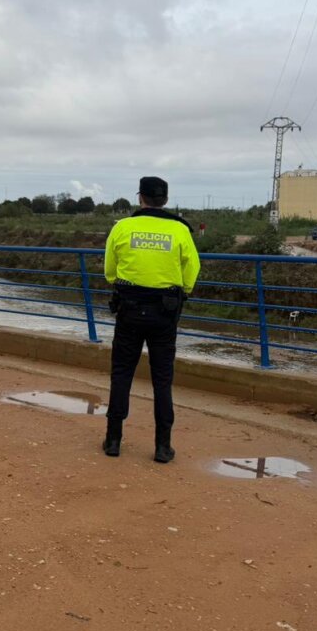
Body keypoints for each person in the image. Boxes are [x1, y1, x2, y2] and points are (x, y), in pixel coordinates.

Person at [102, 176, 200, 462]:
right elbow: (192, 268)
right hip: (165, 312)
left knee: (121, 373)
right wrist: (183, 292)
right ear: (165, 200)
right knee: (162, 378)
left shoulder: (123, 227)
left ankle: (113, 440)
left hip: (129, 309)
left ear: (140, 198)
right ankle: (162, 446)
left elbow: (110, 269)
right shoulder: (180, 230)